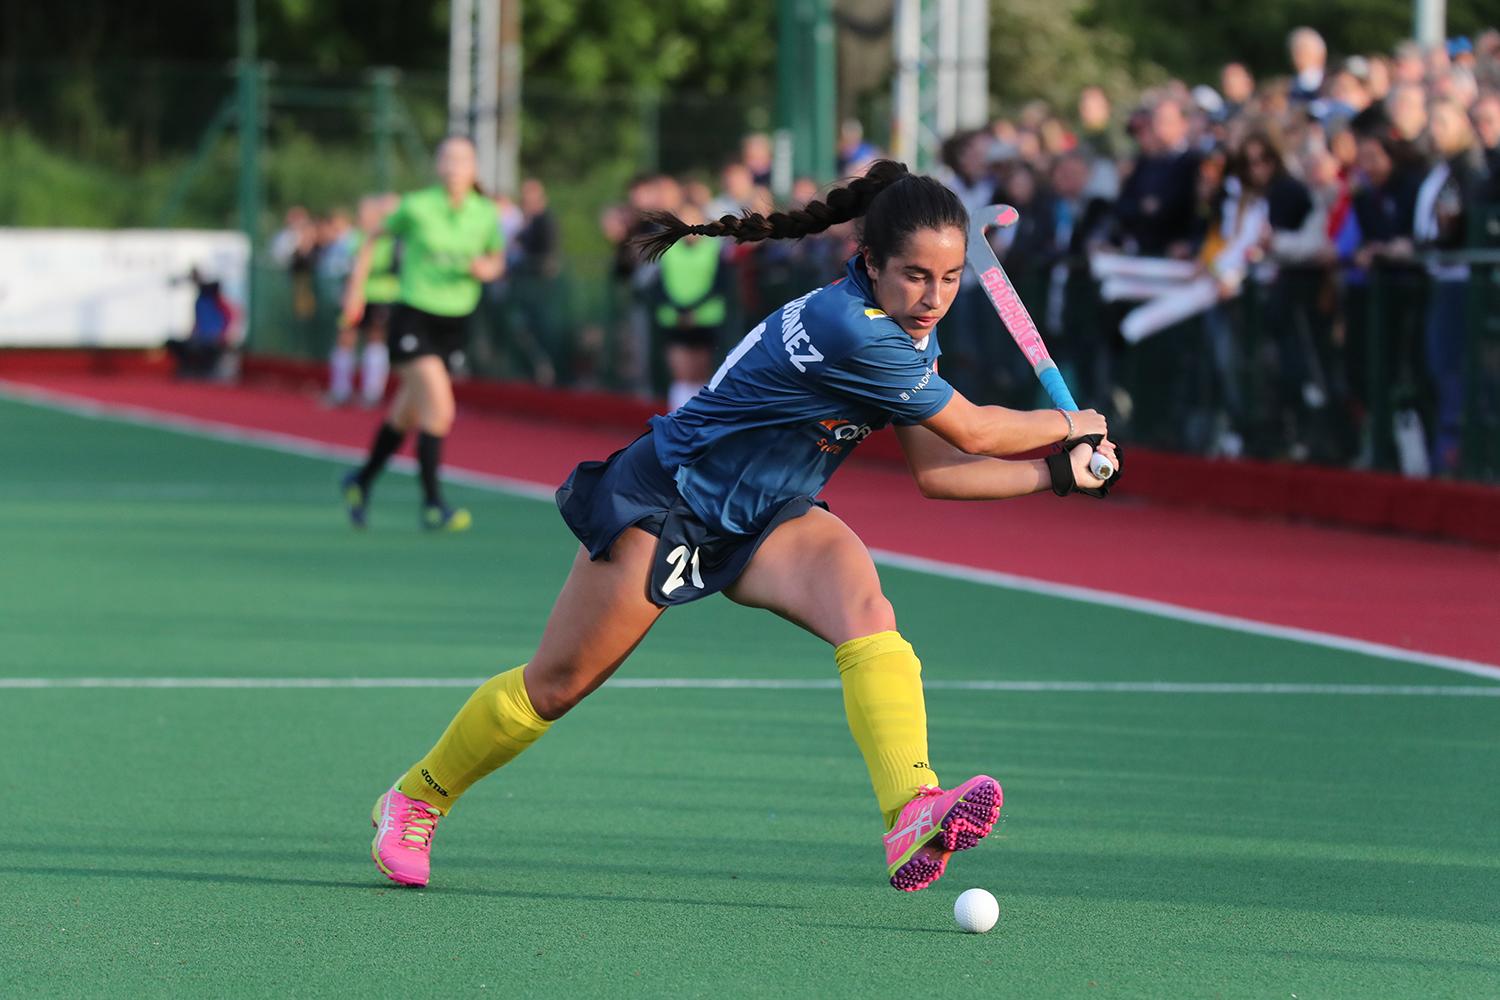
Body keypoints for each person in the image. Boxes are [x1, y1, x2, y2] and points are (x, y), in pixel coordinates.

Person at [366, 160, 1120, 893]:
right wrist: (1073, 422)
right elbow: (979, 432)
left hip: (772, 515)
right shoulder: (851, 329)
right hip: (671, 503)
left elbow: (939, 471)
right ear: (870, 262)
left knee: (868, 614)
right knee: (557, 687)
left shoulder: (907, 335)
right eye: (916, 276)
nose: (933, 297)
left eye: (951, 279)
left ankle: (912, 811)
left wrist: (1057, 472)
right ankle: (417, 798)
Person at [340, 136, 504, 531]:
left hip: (454, 323)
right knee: (439, 411)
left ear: (474, 169)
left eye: (462, 159)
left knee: (407, 413)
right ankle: (433, 504)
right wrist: (355, 291)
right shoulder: (416, 207)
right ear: (437, 166)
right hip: (413, 317)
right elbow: (373, 236)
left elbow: (496, 258)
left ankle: (360, 481)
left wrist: (488, 269)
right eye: (446, 158)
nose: (453, 166)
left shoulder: (485, 214)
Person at [327, 195, 398, 408]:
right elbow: (347, 266)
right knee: (345, 339)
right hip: (355, 296)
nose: (363, 217)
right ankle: (340, 390)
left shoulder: (389, 239)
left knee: (375, 340)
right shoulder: (355, 238)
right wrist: (350, 292)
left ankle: (372, 392)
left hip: (381, 296)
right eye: (361, 213)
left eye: (368, 213)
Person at [164, 267, 240, 379]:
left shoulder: (217, 299)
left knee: (208, 348)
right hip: (201, 338)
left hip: (214, 340)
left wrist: (224, 335)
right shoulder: (199, 301)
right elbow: (197, 324)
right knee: (177, 344)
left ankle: (208, 370)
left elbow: (232, 316)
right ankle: (190, 369)